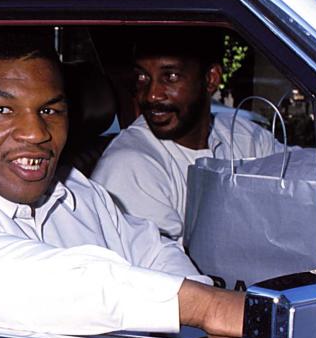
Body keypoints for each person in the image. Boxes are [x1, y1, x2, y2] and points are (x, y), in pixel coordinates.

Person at [0, 30, 244, 338]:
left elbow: (153, 249)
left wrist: (204, 314)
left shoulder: (77, 192)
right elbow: (21, 285)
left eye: (49, 110)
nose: (36, 132)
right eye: (3, 110)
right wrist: (208, 306)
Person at [90, 28, 280, 241]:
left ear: (210, 79)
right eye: (143, 76)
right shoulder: (129, 164)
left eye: (170, 77)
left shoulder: (242, 137)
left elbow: (305, 175)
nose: (152, 94)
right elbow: (163, 266)